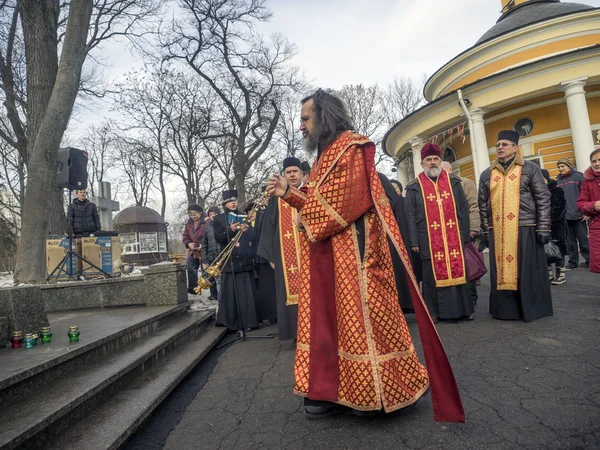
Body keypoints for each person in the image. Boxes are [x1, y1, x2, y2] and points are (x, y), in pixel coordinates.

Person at [267, 89, 464, 422]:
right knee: (331, 324)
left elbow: (337, 209)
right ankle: (332, 390)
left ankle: (379, 392)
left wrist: (290, 195)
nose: (301, 126)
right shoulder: (323, 156)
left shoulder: (352, 148)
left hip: (357, 259)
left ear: (324, 116)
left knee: (363, 324)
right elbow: (320, 207)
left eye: (305, 118)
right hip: (329, 257)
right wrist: (296, 198)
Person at [478, 130, 553, 322]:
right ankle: (506, 311)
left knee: (528, 269)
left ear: (515, 148)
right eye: (498, 145)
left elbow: (543, 198)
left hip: (525, 226)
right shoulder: (487, 174)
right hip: (498, 230)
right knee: (501, 270)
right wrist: (486, 231)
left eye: (504, 144)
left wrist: (543, 226)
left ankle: (532, 309)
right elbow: (483, 204)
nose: (500, 147)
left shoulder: (530, 168)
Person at [406, 145, 473, 323]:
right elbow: (410, 216)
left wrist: (465, 234)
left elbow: (463, 210)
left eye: (435, 159)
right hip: (427, 238)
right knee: (430, 277)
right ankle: (434, 312)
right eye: (429, 160)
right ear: (422, 163)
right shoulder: (414, 187)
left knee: (459, 269)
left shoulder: (454, 182)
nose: (433, 163)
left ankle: (464, 310)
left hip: (454, 236)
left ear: (440, 161)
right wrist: (413, 241)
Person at [257, 156, 304, 341]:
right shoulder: (276, 198)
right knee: (288, 293)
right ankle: (295, 334)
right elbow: (269, 225)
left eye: (295, 172)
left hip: (310, 254)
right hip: (287, 257)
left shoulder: (310, 192)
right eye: (288, 172)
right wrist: (272, 255)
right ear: (284, 175)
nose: (292, 175)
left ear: (302, 174)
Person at [213, 190, 259, 331]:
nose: (233, 203)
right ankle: (230, 321)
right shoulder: (219, 219)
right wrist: (231, 229)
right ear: (225, 203)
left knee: (246, 293)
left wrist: (247, 230)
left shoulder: (244, 216)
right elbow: (219, 238)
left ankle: (249, 322)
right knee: (230, 294)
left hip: (244, 258)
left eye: (235, 201)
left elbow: (253, 236)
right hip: (229, 260)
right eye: (230, 201)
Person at [442, 161, 480, 306]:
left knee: (467, 264)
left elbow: (473, 206)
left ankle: (471, 297)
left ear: (451, 169)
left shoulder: (464, 183)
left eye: (444, 169)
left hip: (463, 230)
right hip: (446, 233)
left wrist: (474, 228)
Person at [556, 158, 590, 269]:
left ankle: (589, 260)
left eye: (563, 166)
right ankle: (572, 262)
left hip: (579, 214)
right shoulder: (558, 179)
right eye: (559, 167)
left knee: (583, 239)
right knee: (570, 241)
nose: (561, 169)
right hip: (565, 216)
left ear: (569, 166)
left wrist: (586, 210)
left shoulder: (578, 176)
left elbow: (586, 194)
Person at [541, 169, 569, 285]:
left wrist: (548, 221)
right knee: (545, 250)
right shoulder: (537, 191)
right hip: (544, 226)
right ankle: (549, 275)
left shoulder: (557, 190)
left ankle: (560, 275)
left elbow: (560, 209)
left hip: (558, 226)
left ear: (546, 178)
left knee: (558, 250)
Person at [576, 147, 600, 273]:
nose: (597, 163)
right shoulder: (588, 180)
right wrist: (593, 206)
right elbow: (580, 203)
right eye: (594, 161)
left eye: (599, 160)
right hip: (597, 228)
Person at [182, 204, 207, 295]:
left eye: (194, 214)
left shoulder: (206, 222)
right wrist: (188, 243)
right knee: (190, 266)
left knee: (206, 270)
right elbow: (185, 236)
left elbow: (209, 236)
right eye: (191, 215)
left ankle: (212, 291)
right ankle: (193, 289)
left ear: (200, 213)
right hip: (193, 250)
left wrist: (202, 245)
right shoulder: (188, 224)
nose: (193, 216)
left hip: (204, 250)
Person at [201, 206, 221, 300]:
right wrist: (205, 260)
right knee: (215, 279)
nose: (213, 216)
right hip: (212, 256)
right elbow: (204, 245)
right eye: (210, 214)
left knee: (222, 280)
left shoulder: (223, 225)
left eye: (215, 214)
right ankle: (217, 297)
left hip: (222, 255)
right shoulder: (207, 228)